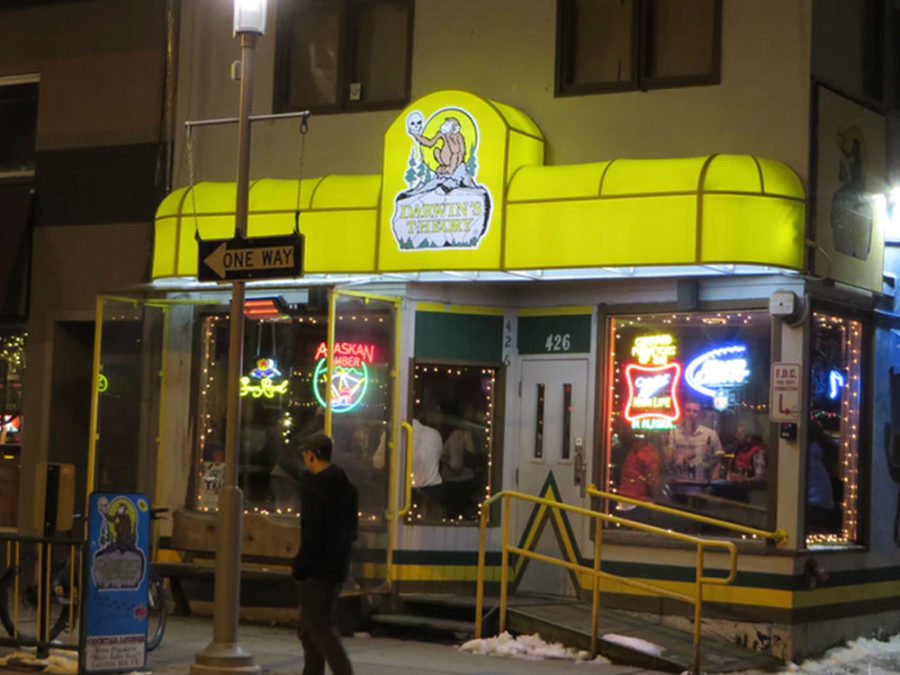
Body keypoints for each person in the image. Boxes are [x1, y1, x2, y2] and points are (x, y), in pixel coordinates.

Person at [291, 432, 358, 675]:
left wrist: (300, 567)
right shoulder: (347, 487)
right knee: (310, 629)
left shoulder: (316, 490)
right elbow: (352, 531)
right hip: (337, 566)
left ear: (311, 456)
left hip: (317, 570)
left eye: (305, 454)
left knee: (319, 627)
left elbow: (312, 534)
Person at [666, 400, 722, 479]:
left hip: (702, 479)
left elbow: (719, 458)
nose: (691, 414)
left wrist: (714, 477)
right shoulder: (674, 432)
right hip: (680, 478)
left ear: (700, 415)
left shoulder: (710, 434)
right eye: (688, 410)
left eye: (695, 411)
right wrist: (697, 451)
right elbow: (669, 456)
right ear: (683, 412)